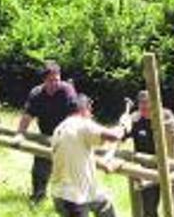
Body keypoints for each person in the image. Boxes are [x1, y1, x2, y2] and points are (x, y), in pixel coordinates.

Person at [51, 94, 127, 217]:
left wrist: (103, 164)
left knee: (104, 204)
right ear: (83, 108)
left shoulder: (60, 128)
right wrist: (123, 126)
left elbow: (76, 155)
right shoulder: (82, 123)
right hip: (74, 198)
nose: (91, 114)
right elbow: (114, 136)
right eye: (90, 109)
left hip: (69, 193)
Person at [15, 60, 77, 203]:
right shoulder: (36, 94)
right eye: (51, 80)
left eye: (57, 79)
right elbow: (27, 117)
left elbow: (74, 117)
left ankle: (69, 202)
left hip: (66, 134)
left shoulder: (67, 91)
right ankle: (38, 196)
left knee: (67, 171)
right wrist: (19, 134)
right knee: (40, 169)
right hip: (45, 135)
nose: (55, 83)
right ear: (44, 80)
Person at [123, 90, 174, 217]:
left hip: (168, 168)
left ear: (155, 103)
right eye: (141, 103)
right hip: (146, 170)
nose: (144, 106)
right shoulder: (135, 118)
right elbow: (121, 136)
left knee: (173, 208)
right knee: (149, 209)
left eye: (147, 102)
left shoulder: (166, 114)